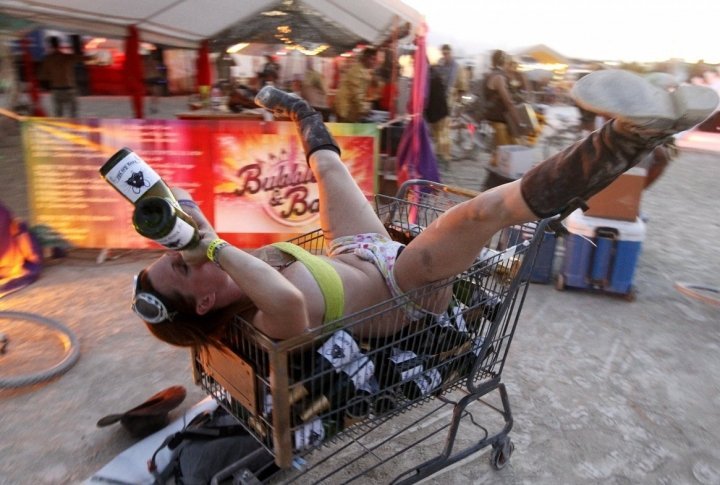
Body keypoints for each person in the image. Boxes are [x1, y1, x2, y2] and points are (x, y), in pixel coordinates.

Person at [130, 70, 718, 347]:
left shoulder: (230, 275)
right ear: (205, 301)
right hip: (404, 291)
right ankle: (628, 137)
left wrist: (183, 214)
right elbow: (284, 296)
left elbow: (237, 257)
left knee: (331, 167)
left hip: (358, 253)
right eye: (182, 267)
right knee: (478, 215)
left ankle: (303, 113)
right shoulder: (258, 325)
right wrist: (205, 242)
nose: (186, 255)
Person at [430, 44, 467, 162]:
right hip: (436, 103)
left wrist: (459, 107)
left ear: (451, 53)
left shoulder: (457, 68)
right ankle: (437, 155)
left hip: (449, 104)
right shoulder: (437, 66)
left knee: (444, 131)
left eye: (447, 54)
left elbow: (462, 88)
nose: (445, 56)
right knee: (436, 131)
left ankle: (444, 157)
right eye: (443, 54)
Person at [38, 36, 89, 118]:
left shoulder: (47, 59)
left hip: (56, 90)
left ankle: (60, 129)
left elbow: (43, 76)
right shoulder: (67, 57)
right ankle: (73, 129)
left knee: (58, 115)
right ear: (59, 45)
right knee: (73, 114)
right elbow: (84, 58)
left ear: (49, 46)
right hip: (69, 89)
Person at [333, 47, 379, 122]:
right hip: (346, 110)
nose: (374, 62)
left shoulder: (361, 70)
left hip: (348, 109)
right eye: (372, 59)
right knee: (345, 132)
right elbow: (357, 94)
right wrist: (365, 109)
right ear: (365, 58)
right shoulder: (358, 72)